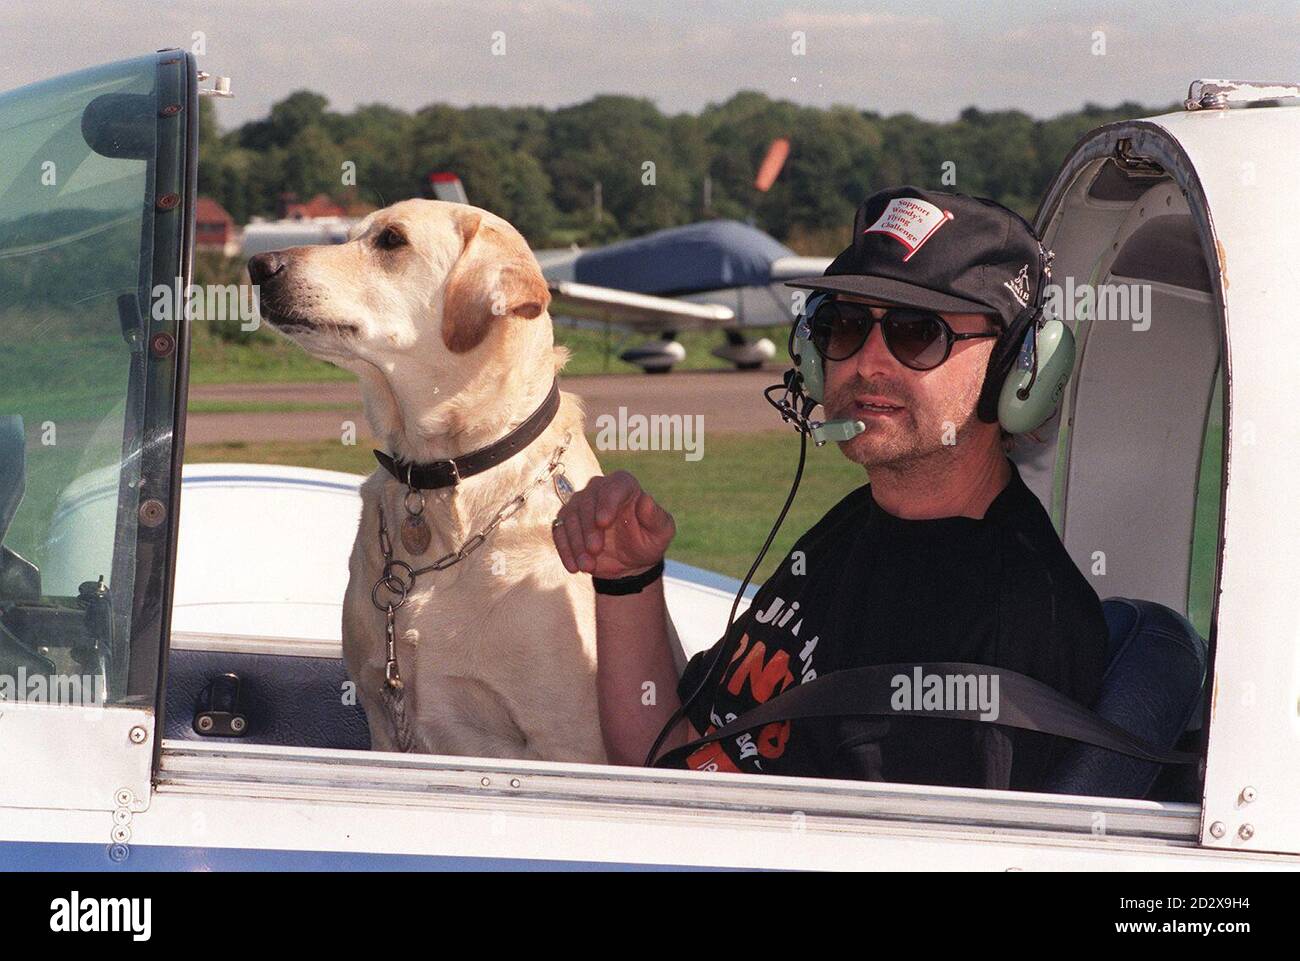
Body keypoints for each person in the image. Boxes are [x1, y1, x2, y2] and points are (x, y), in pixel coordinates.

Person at [550, 186, 1109, 790]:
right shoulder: (859, 526)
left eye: (916, 332)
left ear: (1018, 369)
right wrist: (628, 576)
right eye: (843, 326)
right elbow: (670, 754)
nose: (865, 362)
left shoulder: (997, 629)